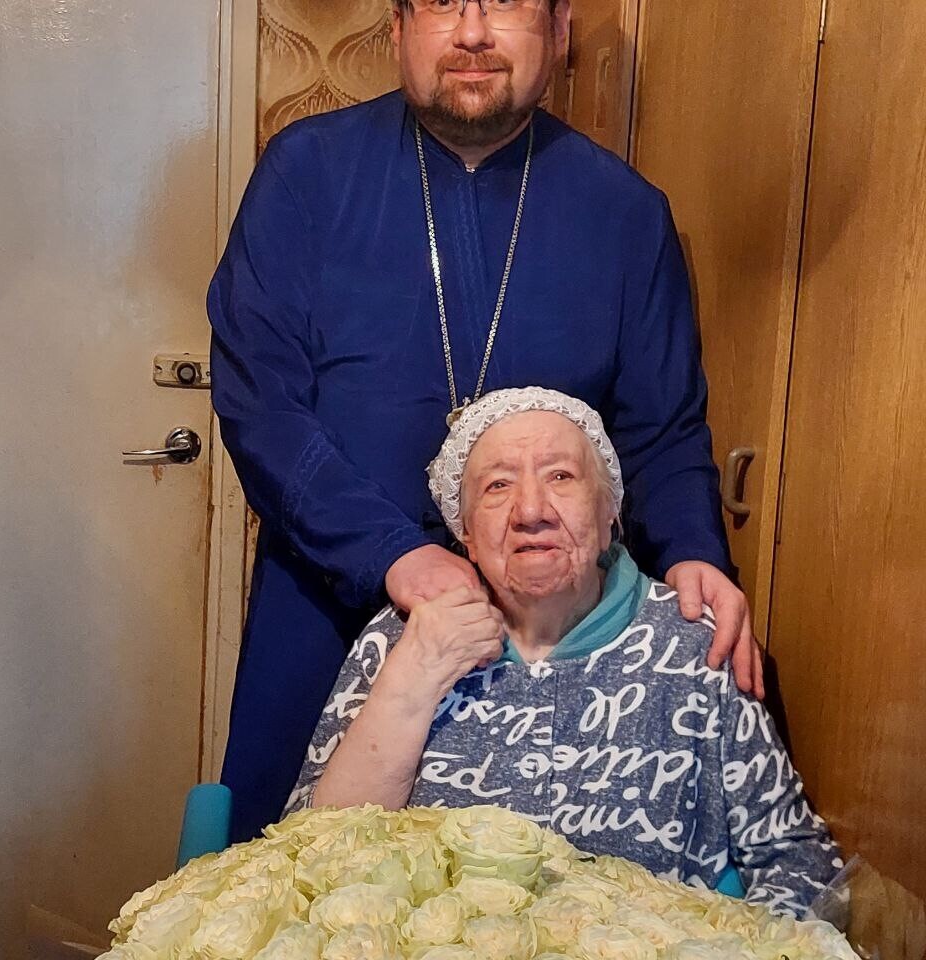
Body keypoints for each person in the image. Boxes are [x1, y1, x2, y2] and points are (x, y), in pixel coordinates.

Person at [207, 0, 762, 841]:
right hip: (325, 602)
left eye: (503, 2)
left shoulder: (625, 213)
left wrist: (693, 553)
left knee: (524, 884)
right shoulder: (306, 174)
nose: (471, 34)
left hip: (548, 634)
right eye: (442, 3)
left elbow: (664, 430)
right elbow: (261, 406)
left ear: (560, 31)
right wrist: (392, 554)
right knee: (297, 873)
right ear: (398, 30)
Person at [286, 388, 841, 919]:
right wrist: (415, 678)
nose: (531, 510)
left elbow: (796, 861)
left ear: (608, 514)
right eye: (497, 486)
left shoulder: (692, 642)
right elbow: (305, 859)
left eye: (560, 476)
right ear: (466, 534)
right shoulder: (401, 636)